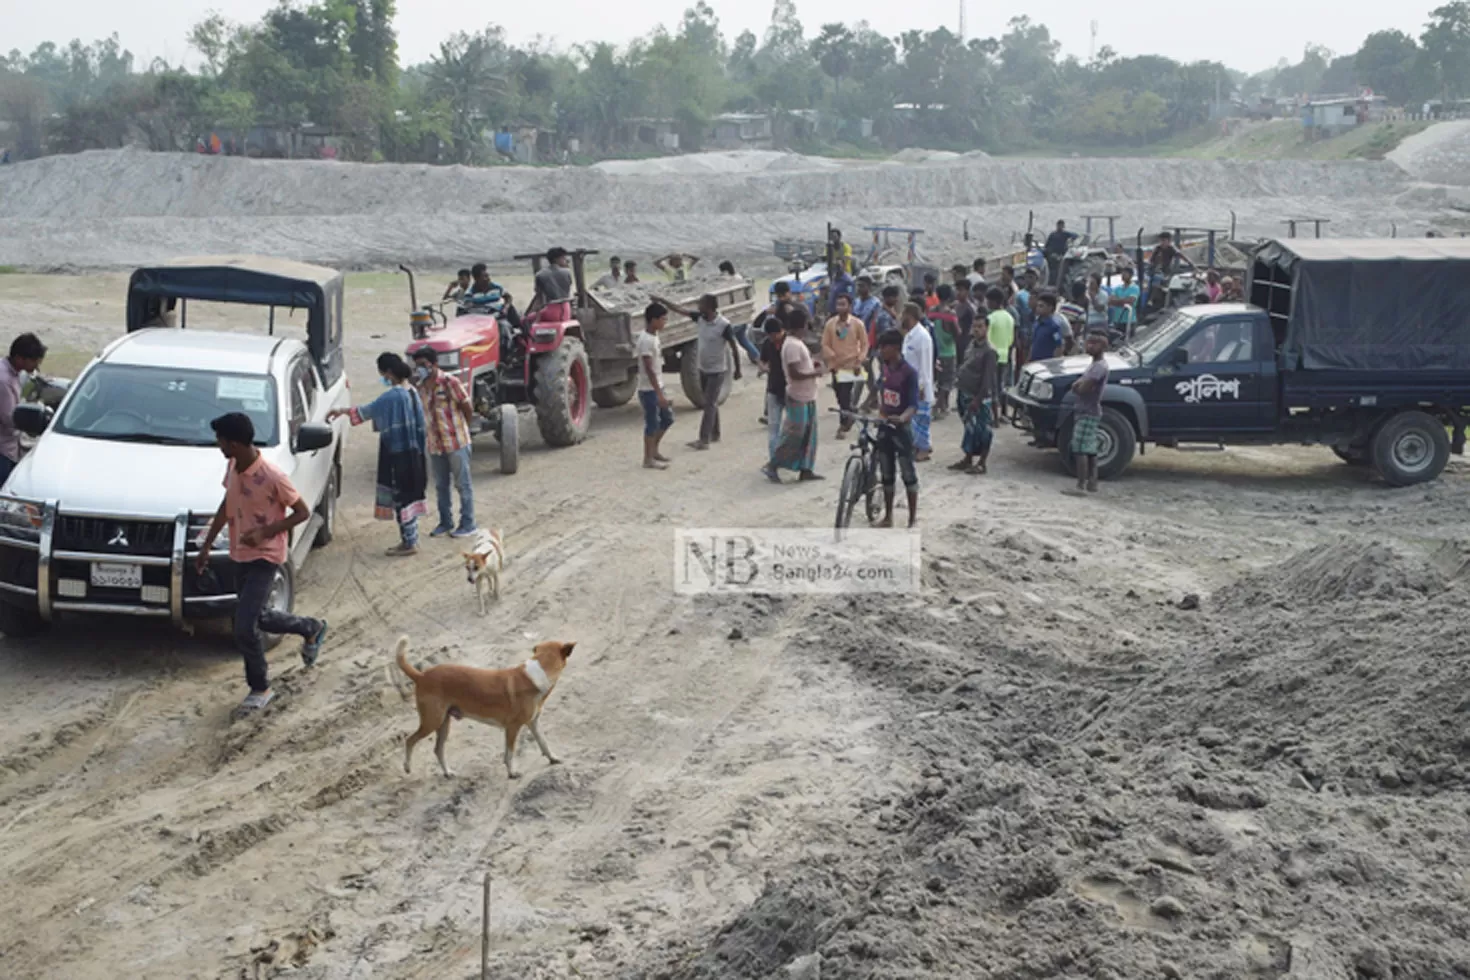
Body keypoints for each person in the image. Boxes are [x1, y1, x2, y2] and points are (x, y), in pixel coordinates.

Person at [196, 412, 328, 712]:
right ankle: (311, 627)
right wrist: (206, 545)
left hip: (265, 557)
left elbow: (302, 512)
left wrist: (265, 532)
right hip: (239, 554)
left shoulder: (272, 476)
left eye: (221, 440)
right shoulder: (233, 466)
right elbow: (227, 505)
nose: (218, 445)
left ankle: (260, 688)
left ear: (235, 442)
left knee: (244, 626)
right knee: (260, 617)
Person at [327, 353, 428, 556]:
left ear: (389, 373)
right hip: (414, 453)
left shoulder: (392, 396)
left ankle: (408, 543)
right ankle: (411, 538)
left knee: (401, 497)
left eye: (382, 373)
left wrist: (341, 411)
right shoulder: (412, 392)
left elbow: (368, 410)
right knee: (410, 494)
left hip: (397, 455)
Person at [411, 346, 476, 538]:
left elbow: (467, 406)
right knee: (440, 486)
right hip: (435, 444)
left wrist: (463, 430)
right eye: (418, 366)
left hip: (456, 442)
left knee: (462, 485)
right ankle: (445, 522)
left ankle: (468, 523)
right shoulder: (421, 387)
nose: (420, 369)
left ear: (434, 364)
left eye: (423, 365)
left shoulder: (450, 382)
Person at [662, 294, 740, 451]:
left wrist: (738, 369)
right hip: (703, 368)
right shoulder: (700, 319)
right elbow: (680, 310)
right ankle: (715, 433)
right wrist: (662, 300)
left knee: (709, 404)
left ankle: (704, 440)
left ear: (710, 307)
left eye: (701, 305)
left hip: (717, 371)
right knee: (711, 402)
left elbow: (734, 347)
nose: (698, 307)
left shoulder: (724, 325)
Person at [765, 306, 823, 483]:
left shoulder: (796, 344)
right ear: (803, 325)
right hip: (798, 395)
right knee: (794, 435)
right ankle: (773, 464)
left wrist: (812, 366)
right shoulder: (791, 345)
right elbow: (794, 373)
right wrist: (815, 373)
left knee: (809, 435)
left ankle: (806, 469)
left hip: (807, 395)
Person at [868, 329, 919, 528]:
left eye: (884, 347)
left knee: (908, 474)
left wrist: (902, 418)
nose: (881, 351)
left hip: (901, 429)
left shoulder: (909, 373)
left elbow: (914, 404)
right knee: (887, 473)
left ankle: (912, 518)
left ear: (896, 348)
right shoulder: (886, 368)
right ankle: (888, 516)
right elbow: (879, 390)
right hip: (885, 426)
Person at [1065, 330, 1110, 496]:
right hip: (1090, 409)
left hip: (1087, 409)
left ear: (1103, 346)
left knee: (1080, 448)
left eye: (1094, 343)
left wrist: (1078, 386)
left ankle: (1081, 485)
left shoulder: (1098, 367)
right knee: (1090, 448)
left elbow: (1083, 388)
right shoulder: (1096, 365)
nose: (1089, 345)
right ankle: (1092, 482)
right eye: (1088, 342)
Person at [953, 313, 998, 475]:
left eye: (980, 326)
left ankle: (982, 463)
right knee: (969, 429)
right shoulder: (971, 345)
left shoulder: (989, 351)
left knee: (983, 431)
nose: (977, 330)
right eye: (975, 326)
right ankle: (968, 459)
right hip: (964, 392)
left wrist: (978, 399)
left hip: (978, 397)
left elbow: (988, 379)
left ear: (987, 328)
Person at [0, 333, 45, 485]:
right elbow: (11, 419)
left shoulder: (14, 374)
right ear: (20, 358)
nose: (36, 367)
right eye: (34, 362)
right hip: (3, 450)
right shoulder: (4, 381)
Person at [821, 292, 869, 437]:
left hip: (851, 366)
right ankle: (850, 414)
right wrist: (831, 355)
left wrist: (859, 360)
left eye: (843, 304)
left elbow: (865, 344)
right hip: (836, 367)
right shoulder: (830, 324)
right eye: (838, 304)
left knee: (845, 395)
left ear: (850, 306)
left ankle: (843, 425)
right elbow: (824, 343)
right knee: (838, 394)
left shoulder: (857, 324)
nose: (840, 307)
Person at [636, 303, 674, 470]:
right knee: (652, 423)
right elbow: (649, 369)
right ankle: (647, 458)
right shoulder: (645, 340)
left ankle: (654, 451)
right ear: (654, 320)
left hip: (656, 386)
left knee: (667, 419)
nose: (665, 322)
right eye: (663, 319)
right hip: (648, 389)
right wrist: (659, 394)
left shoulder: (654, 336)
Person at [899, 303, 935, 463]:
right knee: (913, 418)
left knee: (921, 418)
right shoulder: (909, 336)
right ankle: (917, 446)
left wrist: (921, 385)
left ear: (910, 316)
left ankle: (924, 449)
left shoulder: (923, 337)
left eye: (903, 314)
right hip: (908, 383)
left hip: (920, 385)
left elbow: (925, 365)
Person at [758, 317, 787, 462]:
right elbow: (762, 361)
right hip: (774, 390)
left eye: (775, 335)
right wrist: (764, 368)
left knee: (792, 429)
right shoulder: (767, 344)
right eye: (770, 336)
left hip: (790, 391)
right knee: (773, 428)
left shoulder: (790, 343)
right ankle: (774, 461)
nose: (773, 338)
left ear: (782, 331)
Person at [931, 285, 960, 419]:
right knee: (948, 381)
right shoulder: (950, 313)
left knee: (940, 380)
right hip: (949, 351)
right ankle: (937, 406)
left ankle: (944, 406)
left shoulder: (933, 311)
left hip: (937, 350)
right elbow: (957, 332)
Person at [984, 287, 1016, 399]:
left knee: (990, 387)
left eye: (988, 300)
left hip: (992, 357)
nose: (987, 303)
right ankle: (1002, 409)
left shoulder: (991, 318)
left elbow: (986, 339)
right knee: (999, 385)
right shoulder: (1009, 317)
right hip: (1005, 355)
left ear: (994, 302)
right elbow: (1011, 339)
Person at [530, 247, 574, 324]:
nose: (565, 260)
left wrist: (537, 316)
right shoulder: (567, 272)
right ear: (557, 259)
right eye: (563, 258)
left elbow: (539, 298)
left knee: (525, 320)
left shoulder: (540, 275)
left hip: (551, 310)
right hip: (566, 310)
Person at [1029, 293, 1068, 364]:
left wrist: (1054, 363)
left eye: (1041, 306)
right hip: (1034, 362)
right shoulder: (1037, 323)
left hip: (1046, 364)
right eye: (1037, 306)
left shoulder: (1054, 326)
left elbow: (1059, 346)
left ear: (1050, 308)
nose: (1037, 308)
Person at [1109, 267, 1140, 337]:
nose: (1123, 276)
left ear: (1131, 275)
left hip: (1129, 321)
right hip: (1117, 320)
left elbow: (1130, 301)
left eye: (1125, 274)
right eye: (1122, 274)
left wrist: (1117, 301)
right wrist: (1123, 301)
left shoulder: (1135, 288)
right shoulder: (1117, 288)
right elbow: (1110, 301)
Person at [1044, 220, 1078, 285]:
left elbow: (1075, 236)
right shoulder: (1053, 234)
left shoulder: (1065, 234)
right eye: (1059, 225)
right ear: (1057, 226)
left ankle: (1056, 283)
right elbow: (1047, 245)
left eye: (1061, 225)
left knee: (1058, 270)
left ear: (1063, 226)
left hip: (1061, 255)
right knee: (1051, 269)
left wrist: (1071, 240)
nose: (1060, 227)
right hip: (1052, 255)